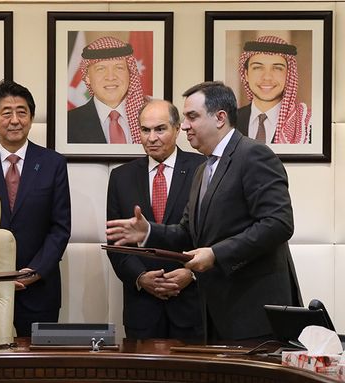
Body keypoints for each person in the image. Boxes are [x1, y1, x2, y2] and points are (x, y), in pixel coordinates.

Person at [106, 81, 302, 341]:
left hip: (254, 316)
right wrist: (148, 232)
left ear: (220, 118)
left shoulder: (254, 155)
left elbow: (278, 223)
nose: (185, 125)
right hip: (216, 315)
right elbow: (188, 232)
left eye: (192, 117)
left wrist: (215, 255)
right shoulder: (204, 169)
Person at [0, 80, 71, 337]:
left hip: (40, 289)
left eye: (22, 112)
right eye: (6, 113)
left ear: (31, 118)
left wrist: (33, 272)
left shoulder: (54, 163)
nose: (15, 120)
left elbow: (60, 228)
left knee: (38, 369)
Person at [107, 99, 204, 340]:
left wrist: (191, 274)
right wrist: (140, 278)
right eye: (145, 130)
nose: (152, 138)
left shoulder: (202, 169)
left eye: (160, 129)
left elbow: (214, 236)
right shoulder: (121, 177)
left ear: (177, 128)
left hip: (191, 305)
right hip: (142, 307)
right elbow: (115, 243)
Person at [68, 36, 147, 144]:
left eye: (119, 68)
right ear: (87, 77)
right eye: (101, 69)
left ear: (130, 73)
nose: (110, 77)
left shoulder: (148, 118)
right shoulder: (69, 123)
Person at [238, 35, 311, 144]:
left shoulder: (307, 124)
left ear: (288, 75)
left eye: (277, 68)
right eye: (258, 67)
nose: (267, 77)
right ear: (246, 74)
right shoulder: (228, 121)